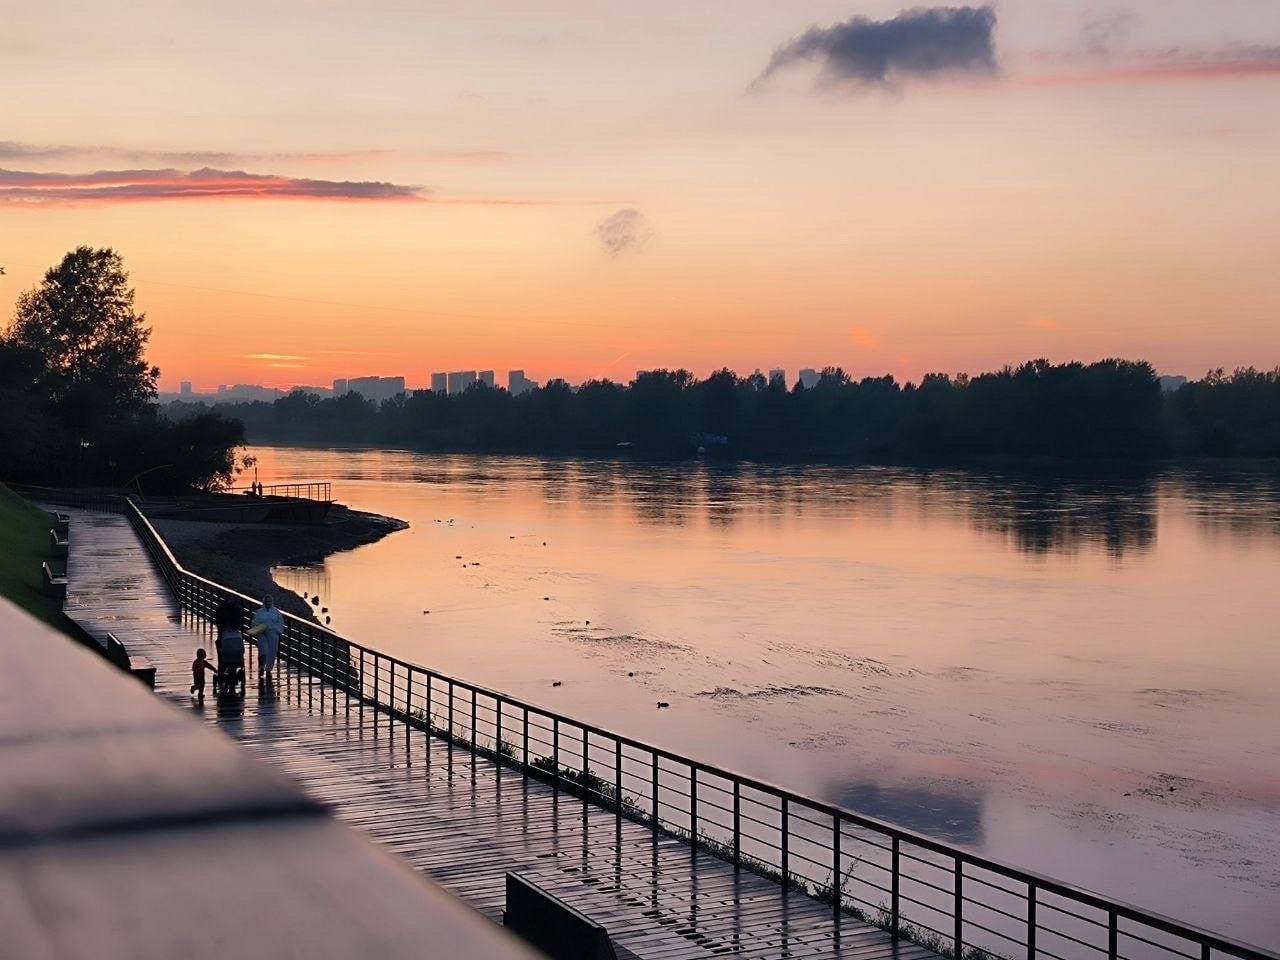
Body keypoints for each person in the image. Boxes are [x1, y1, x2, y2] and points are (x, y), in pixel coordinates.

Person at [214, 598, 246, 694]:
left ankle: (221, 669)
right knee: (230, 646)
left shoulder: (221, 610)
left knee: (221, 649)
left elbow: (218, 622)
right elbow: (241, 621)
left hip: (224, 638)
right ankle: (231, 669)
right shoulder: (237, 610)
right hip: (232, 639)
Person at [251, 594, 284, 683]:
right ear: (264, 602)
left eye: (269, 601)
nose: (268, 603)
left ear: (272, 602)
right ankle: (262, 666)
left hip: (273, 633)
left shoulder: (276, 612)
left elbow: (280, 623)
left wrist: (278, 631)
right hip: (262, 633)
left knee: (272, 652)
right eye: (266, 601)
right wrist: (259, 629)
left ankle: (268, 669)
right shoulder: (259, 612)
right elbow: (255, 623)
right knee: (264, 651)